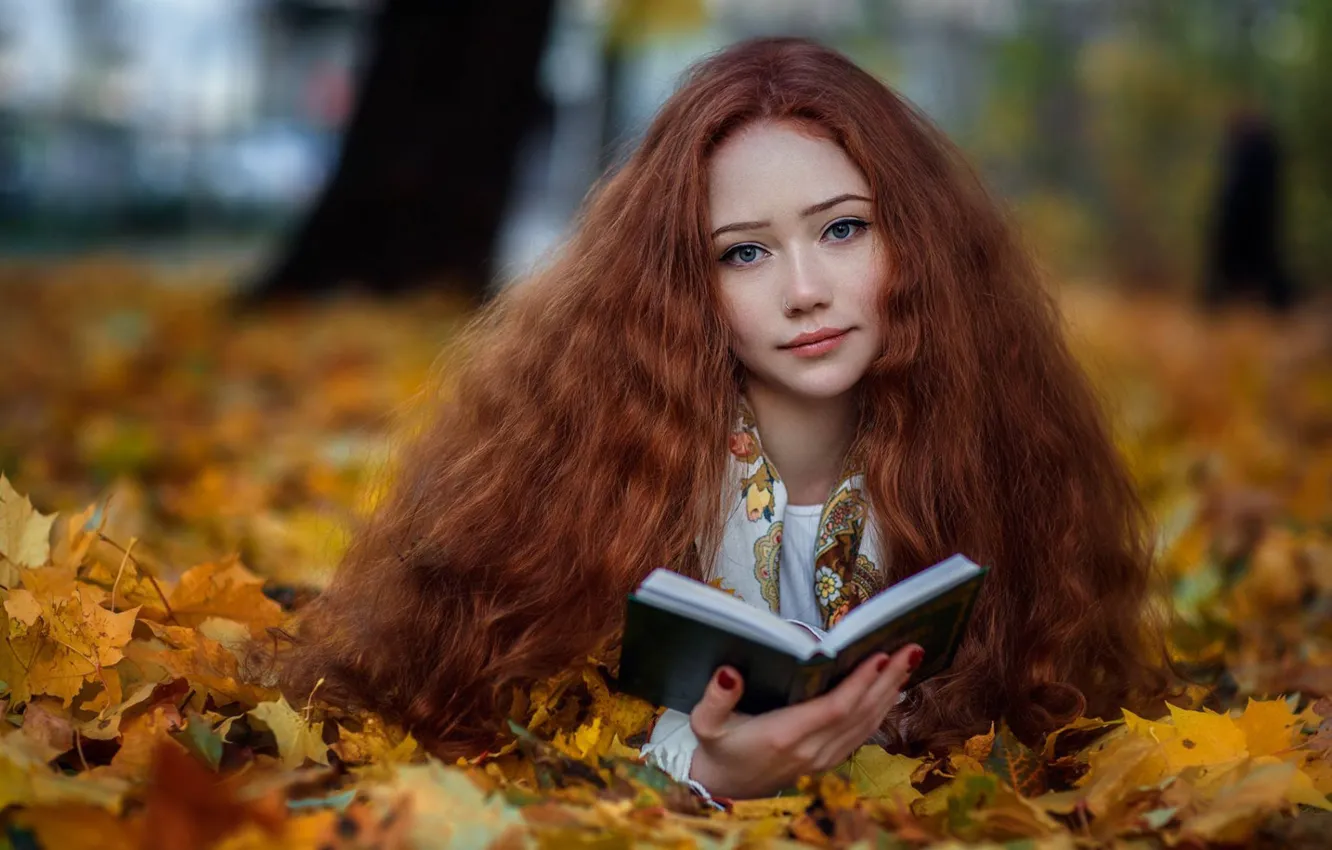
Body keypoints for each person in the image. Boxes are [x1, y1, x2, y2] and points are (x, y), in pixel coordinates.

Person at [276, 37, 1172, 802]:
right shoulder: (586, 479)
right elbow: (498, 749)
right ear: (682, 285)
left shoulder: (997, 460)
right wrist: (705, 772)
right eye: (744, 252)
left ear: (918, 240)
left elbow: (1040, 737)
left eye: (844, 230)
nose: (805, 292)